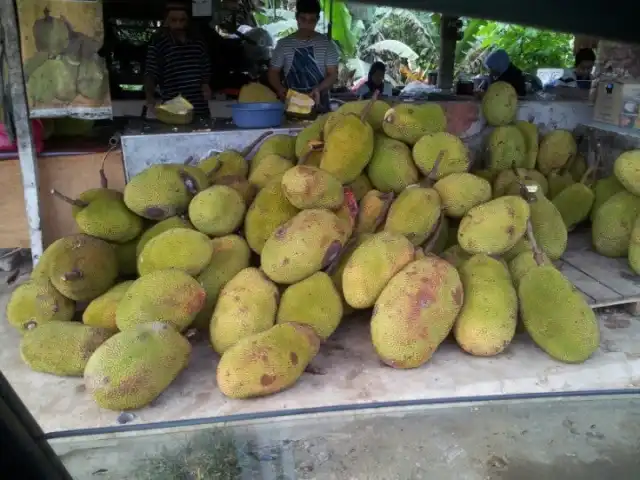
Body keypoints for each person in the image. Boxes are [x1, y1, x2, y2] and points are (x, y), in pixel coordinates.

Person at [268, 0, 339, 111]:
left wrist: (318, 89)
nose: (307, 24)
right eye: (303, 19)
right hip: (291, 104)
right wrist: (279, 88)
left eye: (312, 20)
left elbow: (332, 75)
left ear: (317, 20)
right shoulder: (283, 44)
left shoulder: (328, 45)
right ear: (297, 18)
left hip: (319, 105)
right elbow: (273, 72)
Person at [144, 1, 212, 117]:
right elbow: (150, 74)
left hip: (200, 110)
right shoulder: (158, 45)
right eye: (174, 20)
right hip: (173, 110)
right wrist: (149, 97)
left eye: (182, 20)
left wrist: (206, 85)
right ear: (167, 21)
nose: (178, 24)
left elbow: (205, 71)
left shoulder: (198, 43)